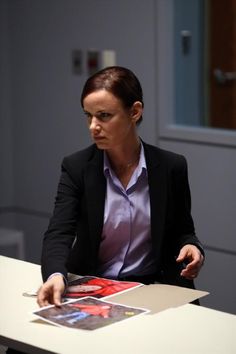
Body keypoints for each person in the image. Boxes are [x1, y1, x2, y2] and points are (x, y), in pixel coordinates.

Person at [37, 66, 204, 308]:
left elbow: (183, 231)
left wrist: (191, 247)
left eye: (104, 115)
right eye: (88, 115)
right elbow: (59, 232)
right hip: (95, 287)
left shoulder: (171, 166)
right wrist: (54, 275)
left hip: (152, 288)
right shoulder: (77, 167)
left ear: (134, 112)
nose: (93, 126)